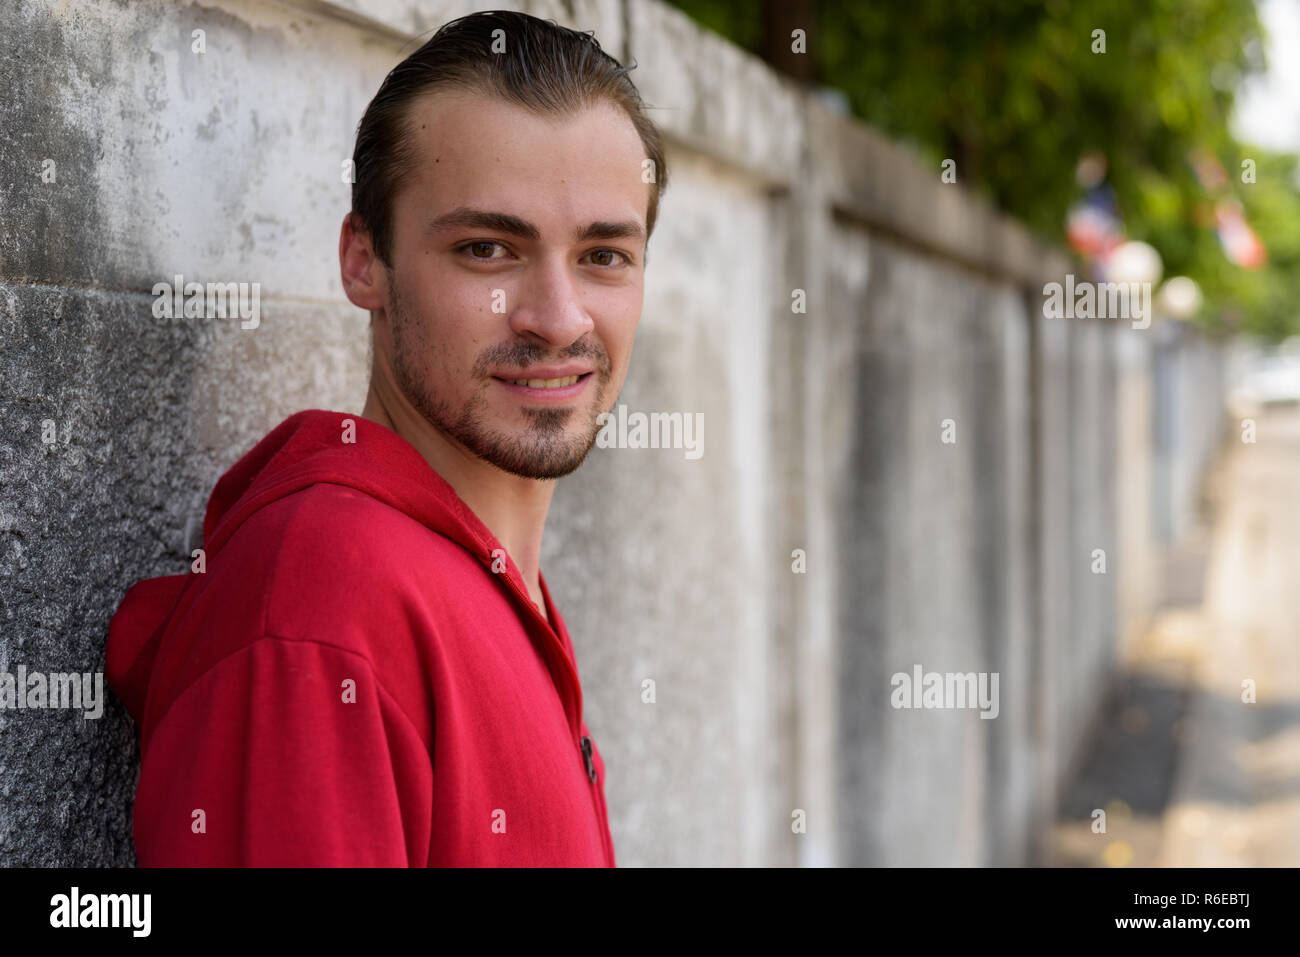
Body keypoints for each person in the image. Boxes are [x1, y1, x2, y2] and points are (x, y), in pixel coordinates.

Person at [106, 9, 669, 867]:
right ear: (364, 260)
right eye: (487, 249)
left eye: (604, 256)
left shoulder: (487, 587)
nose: (558, 319)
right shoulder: (321, 608)